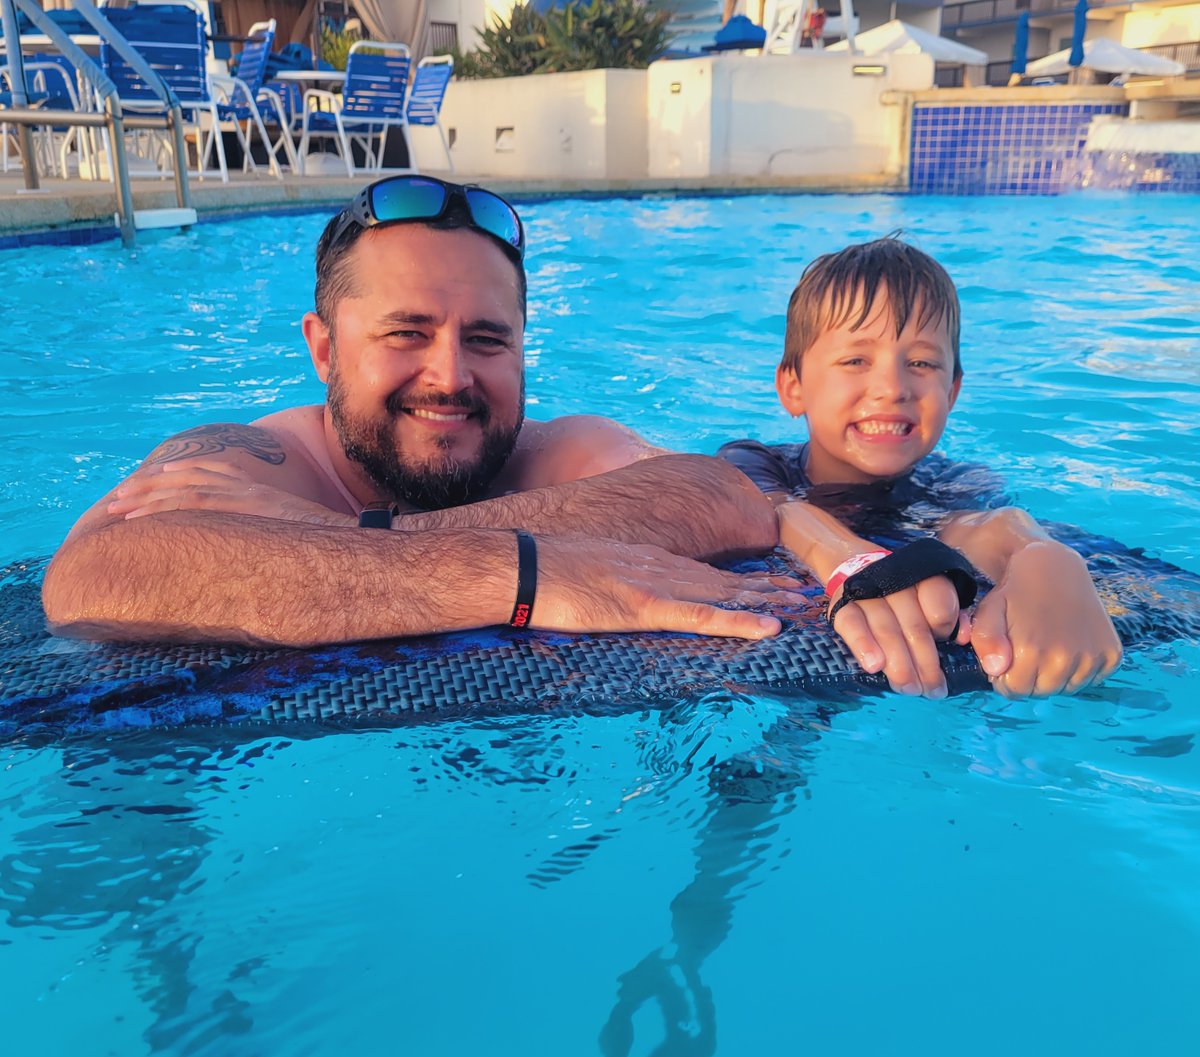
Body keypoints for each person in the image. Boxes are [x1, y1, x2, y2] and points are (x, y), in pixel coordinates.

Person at [44, 175, 798, 647]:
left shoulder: (550, 451)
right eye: (407, 333)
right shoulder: (259, 461)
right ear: (325, 351)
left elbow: (723, 496)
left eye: (487, 338)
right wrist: (513, 571)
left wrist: (340, 538)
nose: (450, 377)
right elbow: (92, 576)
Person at [719, 236, 1124, 700]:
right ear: (793, 388)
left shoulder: (955, 481)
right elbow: (774, 509)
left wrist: (1039, 552)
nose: (893, 387)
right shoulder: (752, 461)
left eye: (921, 362)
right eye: (855, 360)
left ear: (951, 391)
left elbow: (970, 529)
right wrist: (852, 560)